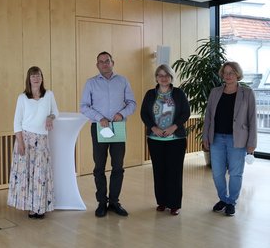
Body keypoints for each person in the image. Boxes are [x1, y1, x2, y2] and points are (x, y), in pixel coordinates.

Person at [80, 51, 136, 217]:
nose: (104, 64)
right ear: (97, 65)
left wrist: (122, 114)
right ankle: (101, 203)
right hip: (99, 128)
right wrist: (99, 118)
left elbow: (132, 103)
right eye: (101, 62)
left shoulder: (123, 81)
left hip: (118, 128)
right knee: (99, 167)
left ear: (113, 62)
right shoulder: (90, 83)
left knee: (118, 166)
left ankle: (114, 202)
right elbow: (84, 106)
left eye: (107, 61)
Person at [202, 61, 257, 216]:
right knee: (217, 173)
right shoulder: (215, 92)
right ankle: (223, 199)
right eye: (225, 73)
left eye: (231, 72)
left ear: (237, 74)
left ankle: (231, 201)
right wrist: (206, 136)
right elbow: (208, 117)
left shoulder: (247, 93)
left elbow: (252, 119)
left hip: (238, 140)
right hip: (217, 138)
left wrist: (252, 143)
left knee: (235, 173)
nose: (228, 76)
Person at [7, 66, 59, 219]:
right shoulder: (22, 97)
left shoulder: (49, 95)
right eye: (33, 76)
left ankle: (40, 207)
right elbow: (17, 122)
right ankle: (30, 206)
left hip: (42, 140)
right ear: (28, 79)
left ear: (42, 78)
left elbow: (56, 111)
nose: (36, 78)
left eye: (38, 75)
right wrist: (20, 143)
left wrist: (50, 117)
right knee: (27, 174)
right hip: (25, 139)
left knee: (40, 175)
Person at [140, 64, 190, 216]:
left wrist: (173, 127)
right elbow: (144, 114)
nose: (163, 78)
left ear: (171, 77)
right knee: (159, 171)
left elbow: (185, 113)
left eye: (166, 75)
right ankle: (162, 202)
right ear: (156, 77)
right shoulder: (150, 94)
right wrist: (153, 128)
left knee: (174, 172)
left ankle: (174, 204)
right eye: (160, 75)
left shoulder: (179, 93)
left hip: (176, 139)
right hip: (155, 140)